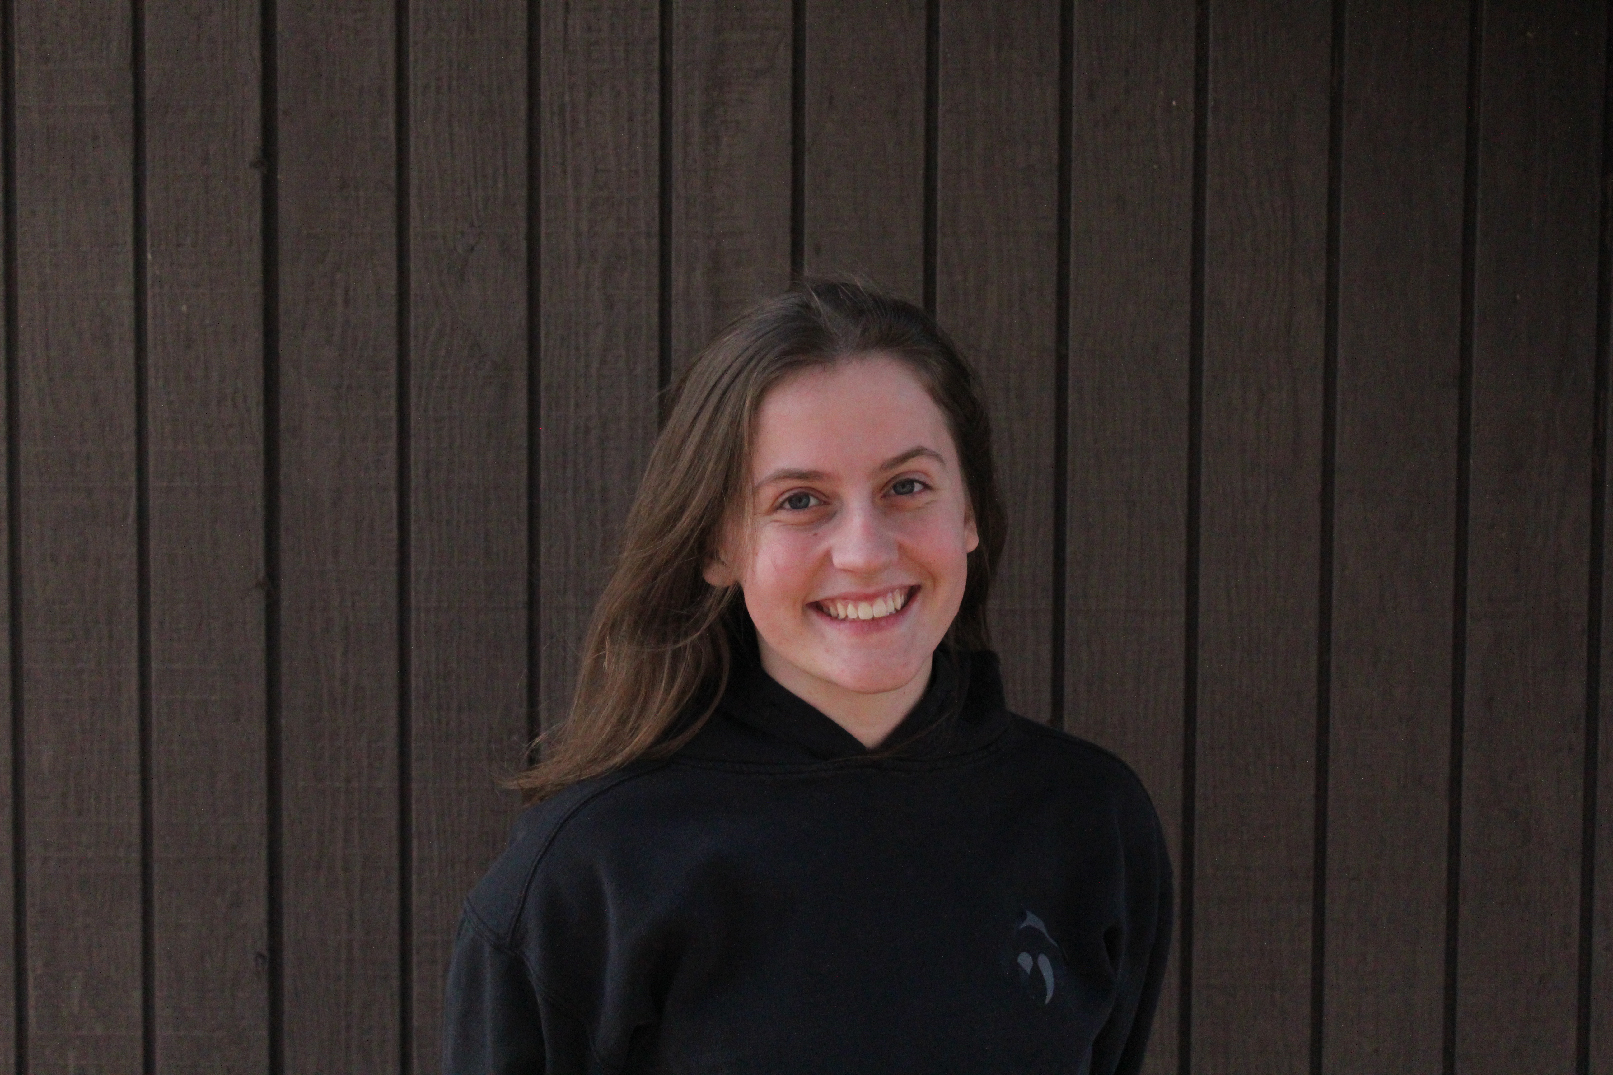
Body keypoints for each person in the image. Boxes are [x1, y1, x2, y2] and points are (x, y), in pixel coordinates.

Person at [443, 279, 1172, 1074]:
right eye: (799, 500)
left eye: (906, 486)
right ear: (717, 544)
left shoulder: (1088, 821)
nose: (863, 552)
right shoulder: (590, 875)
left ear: (967, 510)